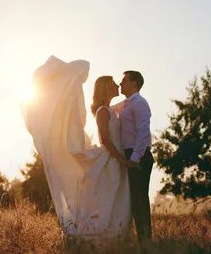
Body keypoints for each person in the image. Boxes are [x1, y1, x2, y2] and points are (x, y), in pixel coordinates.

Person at [21, 56, 131, 239]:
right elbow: (104, 139)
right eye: (113, 83)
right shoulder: (103, 111)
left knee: (119, 196)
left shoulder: (111, 109)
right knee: (111, 197)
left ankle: (119, 233)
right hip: (113, 158)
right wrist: (121, 159)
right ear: (106, 88)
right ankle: (106, 234)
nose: (118, 85)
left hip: (118, 157)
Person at [119, 70, 154, 242]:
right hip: (131, 155)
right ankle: (142, 240)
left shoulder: (139, 103)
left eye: (124, 80)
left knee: (140, 200)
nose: (120, 84)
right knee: (134, 200)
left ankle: (145, 240)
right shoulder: (126, 104)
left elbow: (143, 131)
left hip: (138, 156)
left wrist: (135, 158)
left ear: (134, 83)